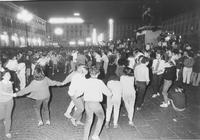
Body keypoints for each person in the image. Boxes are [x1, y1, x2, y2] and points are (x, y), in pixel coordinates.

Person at [82, 67, 112, 140]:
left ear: (90, 73)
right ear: (98, 73)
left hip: (87, 103)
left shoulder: (85, 81)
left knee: (89, 120)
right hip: (95, 103)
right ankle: (95, 135)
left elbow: (81, 91)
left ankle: (85, 138)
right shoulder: (99, 82)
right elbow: (108, 93)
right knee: (101, 117)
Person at [0, 70, 16, 138]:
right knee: (1, 116)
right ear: (3, 76)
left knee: (8, 117)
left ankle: (7, 132)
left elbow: (11, 90)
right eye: (7, 75)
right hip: (1, 102)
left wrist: (12, 94)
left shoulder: (10, 83)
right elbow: (2, 92)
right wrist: (11, 94)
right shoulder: (0, 83)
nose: (8, 76)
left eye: (9, 75)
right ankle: (3, 119)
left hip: (10, 101)